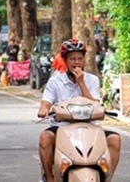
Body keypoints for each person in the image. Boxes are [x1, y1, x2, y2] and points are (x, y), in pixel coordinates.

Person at [36, 38, 121, 182]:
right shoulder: (55, 81)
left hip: (89, 127)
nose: (76, 62)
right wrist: (44, 109)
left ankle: (106, 178)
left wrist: (81, 83)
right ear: (65, 60)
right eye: (72, 59)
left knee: (115, 139)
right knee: (45, 138)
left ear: (84, 60)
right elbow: (46, 102)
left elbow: (96, 105)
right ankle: (50, 178)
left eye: (79, 59)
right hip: (62, 127)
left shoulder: (92, 80)